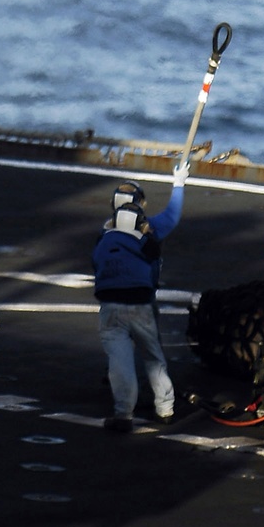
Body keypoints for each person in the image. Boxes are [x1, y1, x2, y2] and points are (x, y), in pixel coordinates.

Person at [92, 163, 190, 433]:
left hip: (110, 306)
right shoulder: (148, 233)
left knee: (119, 362)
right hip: (142, 305)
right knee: (153, 356)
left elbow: (97, 264)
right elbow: (171, 218)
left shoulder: (105, 235)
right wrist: (179, 183)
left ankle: (123, 414)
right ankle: (165, 408)